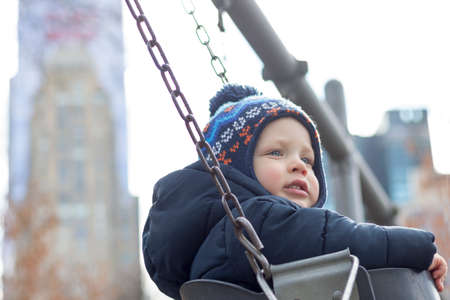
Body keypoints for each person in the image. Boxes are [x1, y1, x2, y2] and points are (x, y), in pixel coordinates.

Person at [142, 84, 447, 299]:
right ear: (231, 169)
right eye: (277, 153)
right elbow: (332, 236)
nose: (299, 166)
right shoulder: (254, 223)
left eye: (308, 160)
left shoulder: (225, 235)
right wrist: (416, 248)